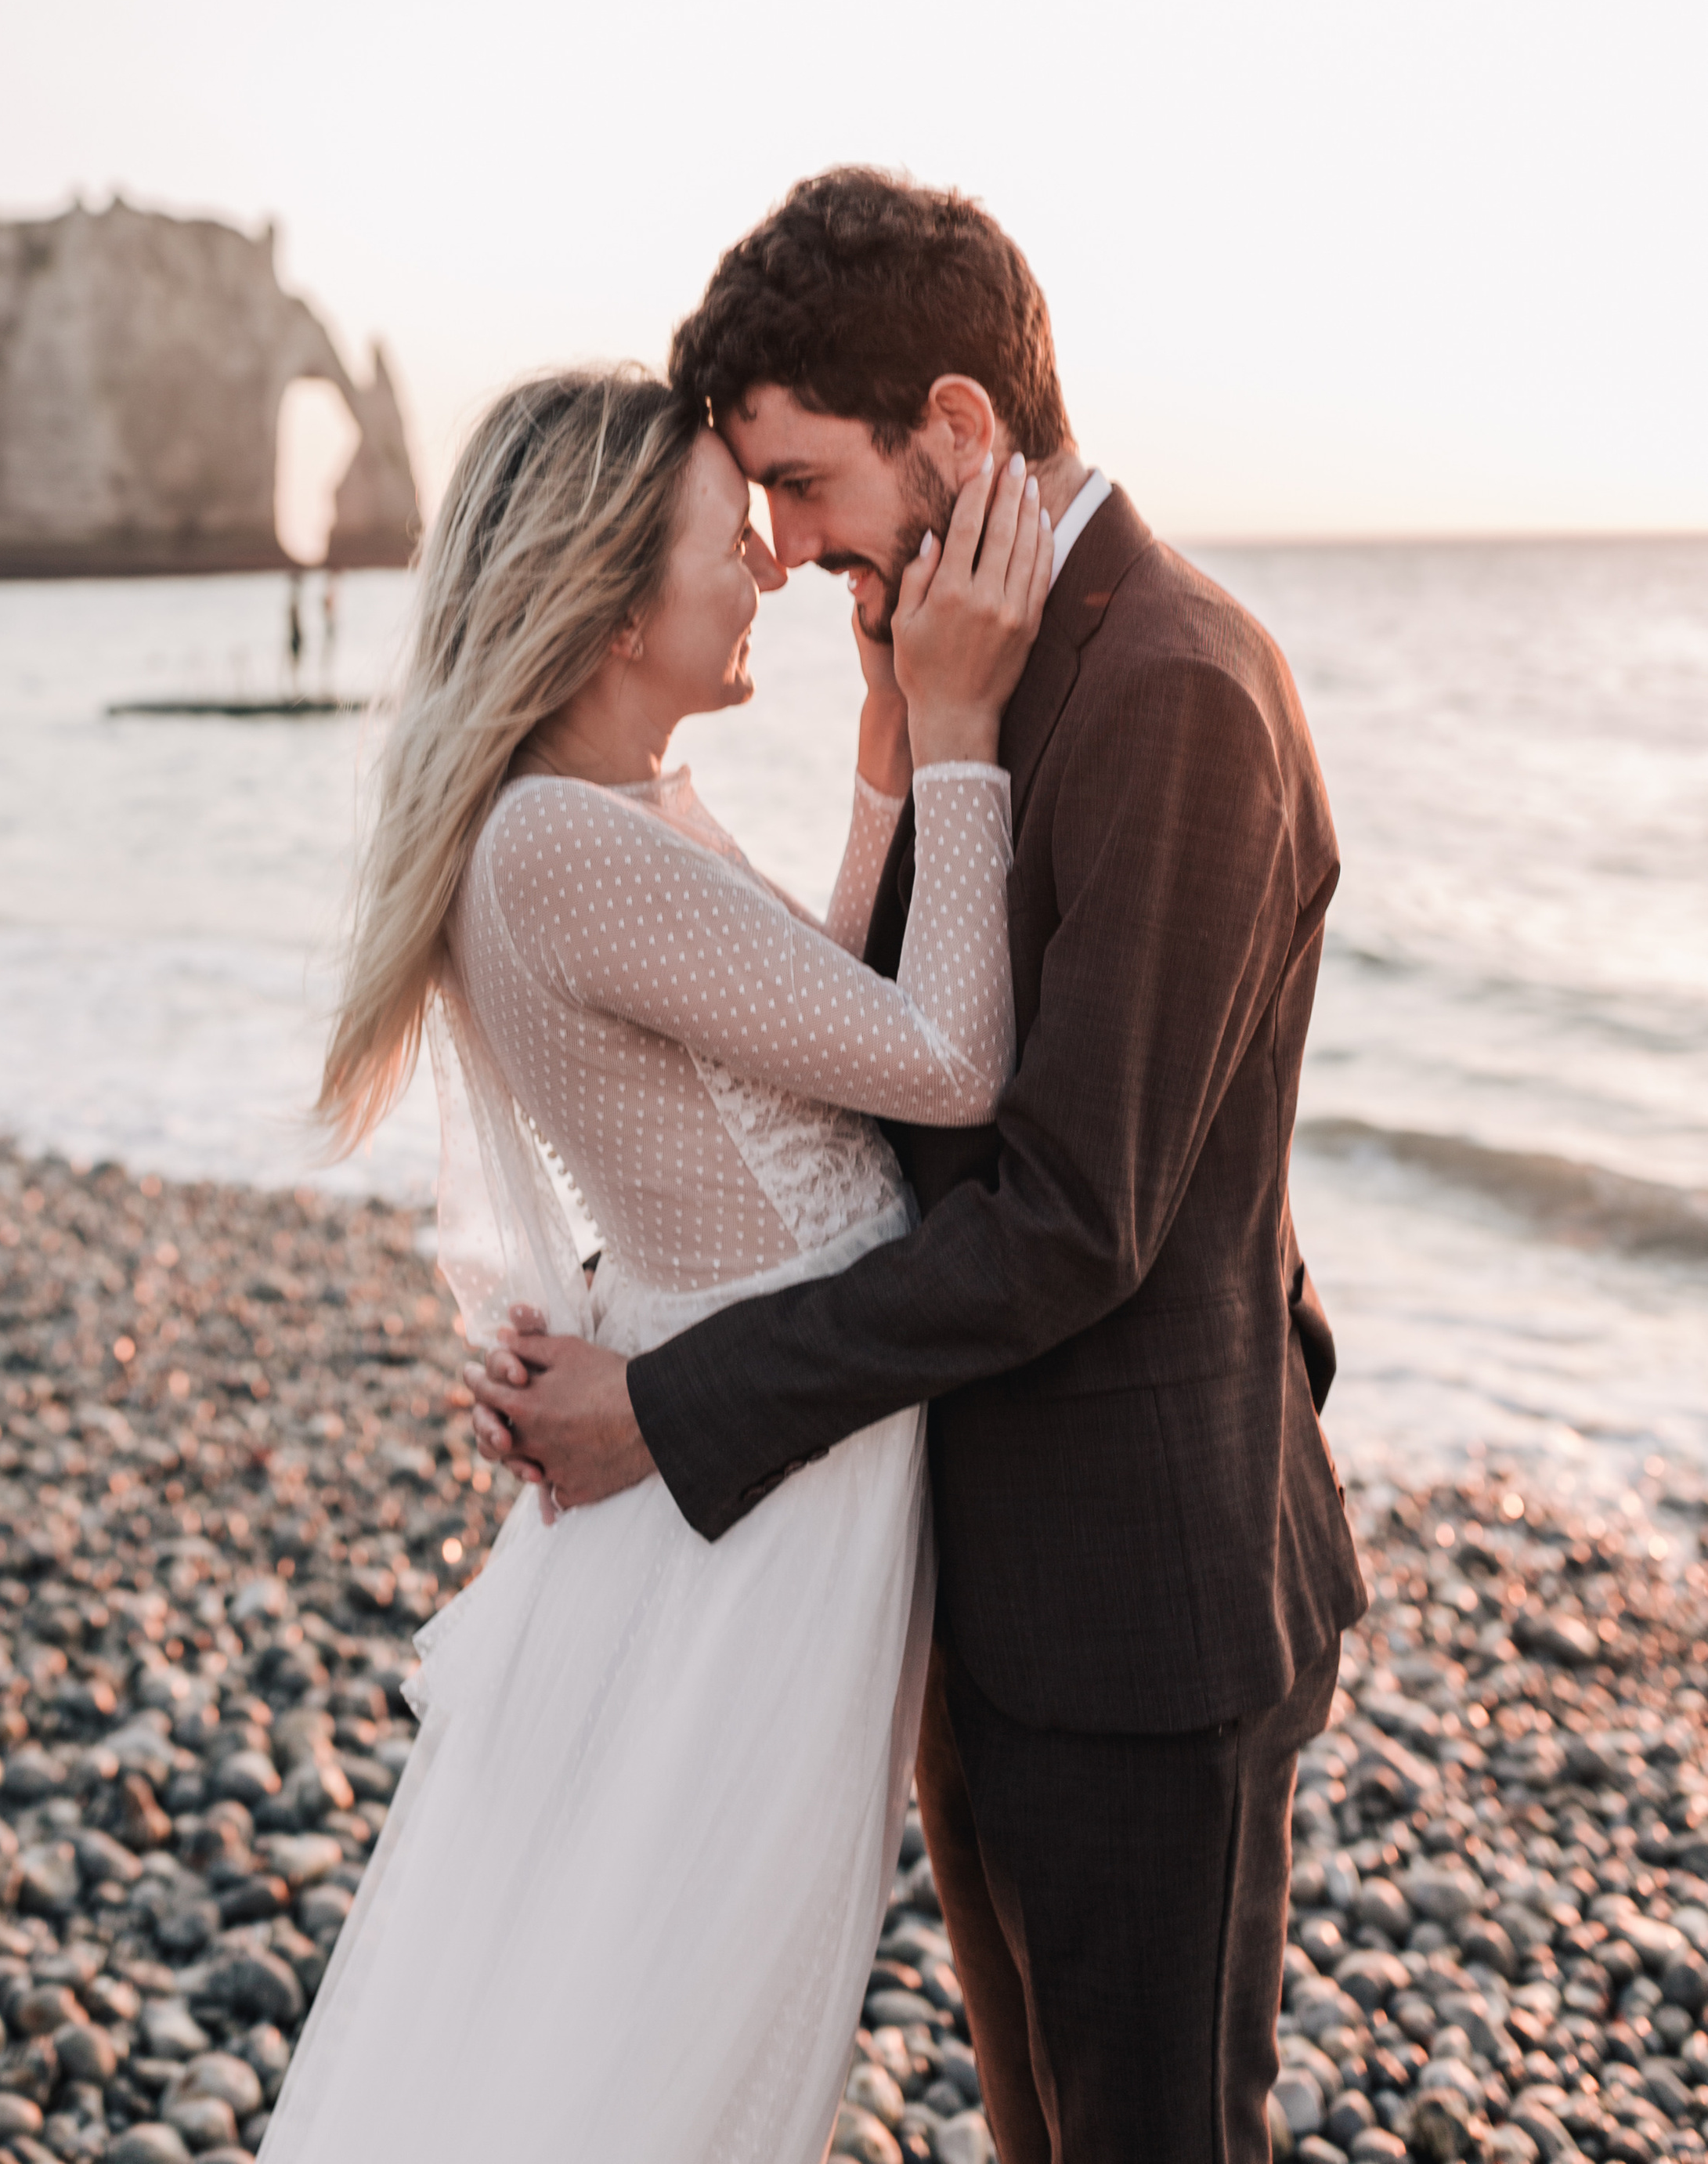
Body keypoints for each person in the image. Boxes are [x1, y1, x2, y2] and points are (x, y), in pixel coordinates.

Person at [472, 172, 1370, 2164]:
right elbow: (870, 1100)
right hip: (988, 1581)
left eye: (796, 484)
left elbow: (1071, 1221)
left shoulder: (1171, 693)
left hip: (1140, 1612)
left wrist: (671, 1408)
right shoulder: (978, 676)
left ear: (952, 435)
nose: (780, 553)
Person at [265, 363, 1053, 2162]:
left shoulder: (616, 809)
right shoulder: (557, 838)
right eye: (729, 534)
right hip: (754, 1502)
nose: (770, 567)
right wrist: (955, 736)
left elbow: (834, 1036)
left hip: (763, 1454)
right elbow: (942, 1065)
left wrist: (876, 768)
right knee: (658, 2047)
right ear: (618, 598)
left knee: (668, 2014)